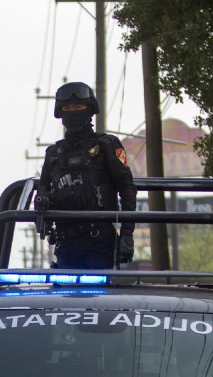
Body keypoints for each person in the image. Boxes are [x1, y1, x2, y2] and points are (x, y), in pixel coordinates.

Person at [37, 81, 138, 269]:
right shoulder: (54, 154)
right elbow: (43, 192)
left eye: (78, 106)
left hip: (99, 240)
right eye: (67, 107)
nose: (72, 111)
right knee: (64, 296)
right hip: (65, 243)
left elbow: (127, 188)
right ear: (61, 112)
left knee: (97, 297)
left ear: (89, 109)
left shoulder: (106, 145)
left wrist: (127, 234)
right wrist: (43, 203)